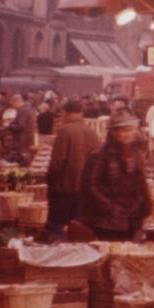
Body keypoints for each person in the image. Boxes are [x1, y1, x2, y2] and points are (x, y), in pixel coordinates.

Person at [79, 111, 153, 241]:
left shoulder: (136, 153)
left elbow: (140, 182)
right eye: (123, 130)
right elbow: (90, 186)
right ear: (113, 132)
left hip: (132, 218)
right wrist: (111, 208)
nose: (127, 134)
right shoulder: (100, 154)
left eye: (130, 130)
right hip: (108, 220)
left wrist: (145, 207)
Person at [46, 99, 99, 238]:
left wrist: (50, 181)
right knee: (78, 229)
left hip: (65, 188)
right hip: (85, 189)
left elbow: (57, 162)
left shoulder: (64, 131)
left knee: (56, 228)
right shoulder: (92, 132)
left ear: (65, 113)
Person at [8, 94, 36, 165]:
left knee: (23, 160)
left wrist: (10, 126)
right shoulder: (27, 108)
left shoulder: (22, 110)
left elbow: (21, 126)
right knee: (24, 157)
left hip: (23, 139)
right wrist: (13, 122)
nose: (13, 106)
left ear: (16, 101)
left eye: (13, 104)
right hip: (27, 137)